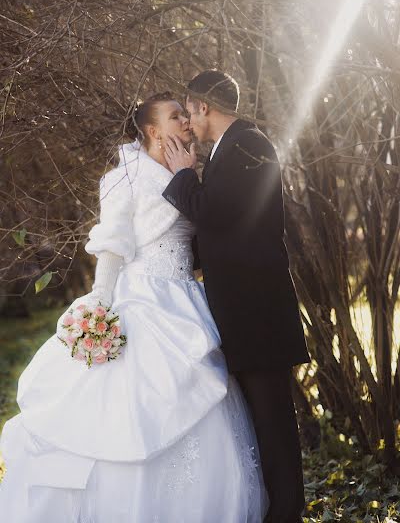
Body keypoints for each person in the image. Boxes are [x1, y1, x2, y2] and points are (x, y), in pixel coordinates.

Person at [0, 92, 267, 523]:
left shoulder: (186, 173)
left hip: (188, 301)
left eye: (186, 114)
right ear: (151, 130)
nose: (185, 121)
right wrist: (101, 299)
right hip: (144, 299)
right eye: (175, 116)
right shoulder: (123, 178)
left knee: (203, 397)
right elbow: (113, 242)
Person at [162, 71, 311, 523]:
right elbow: (227, 229)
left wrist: (183, 176)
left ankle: (287, 512)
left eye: (188, 110)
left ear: (203, 107)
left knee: (275, 425)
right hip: (245, 313)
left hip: (259, 315)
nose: (188, 119)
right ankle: (277, 508)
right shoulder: (233, 149)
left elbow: (215, 214)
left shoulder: (250, 146)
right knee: (263, 425)